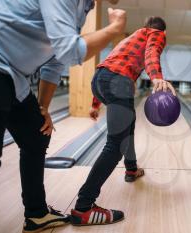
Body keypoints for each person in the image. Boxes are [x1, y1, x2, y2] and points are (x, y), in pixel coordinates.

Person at [0, 0, 125, 232]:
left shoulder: (82, 7)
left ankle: (37, 214)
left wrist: (43, 108)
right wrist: (114, 30)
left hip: (12, 76)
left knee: (37, 134)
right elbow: (70, 51)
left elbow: (56, 59)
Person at [70, 16, 176, 226]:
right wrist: (156, 77)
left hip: (99, 80)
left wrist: (95, 104)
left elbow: (109, 69)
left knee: (129, 123)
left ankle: (131, 168)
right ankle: (84, 207)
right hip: (119, 82)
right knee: (115, 145)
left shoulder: (130, 38)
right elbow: (151, 53)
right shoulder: (156, 33)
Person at [90, 97, 145, 182]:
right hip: (122, 97)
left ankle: (131, 169)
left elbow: (101, 83)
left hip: (116, 99)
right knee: (114, 147)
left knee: (128, 136)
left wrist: (95, 105)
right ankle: (86, 194)